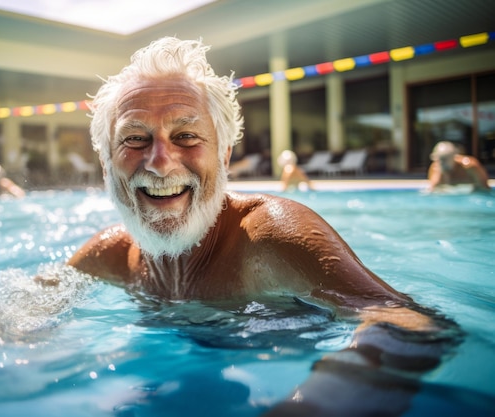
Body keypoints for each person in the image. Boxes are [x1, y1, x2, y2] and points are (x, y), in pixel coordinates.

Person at [41, 37, 458, 415]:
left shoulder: (269, 239)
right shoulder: (112, 255)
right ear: (106, 163)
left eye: (186, 136)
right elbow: (26, 309)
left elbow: (409, 324)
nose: (159, 162)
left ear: (223, 156)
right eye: (135, 139)